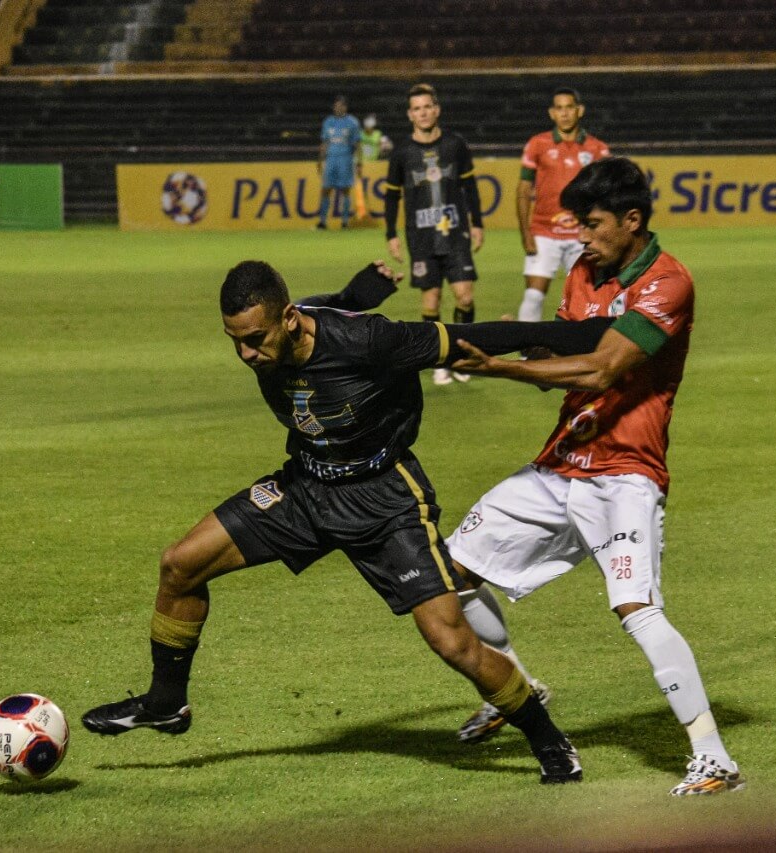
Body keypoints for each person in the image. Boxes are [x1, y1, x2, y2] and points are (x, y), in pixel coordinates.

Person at [80, 259, 621, 785]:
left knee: (452, 643)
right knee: (180, 564)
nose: (247, 353)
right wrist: (364, 290)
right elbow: (333, 305)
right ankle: (166, 702)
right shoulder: (289, 328)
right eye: (236, 340)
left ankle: (548, 738)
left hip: (384, 499)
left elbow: (468, 337)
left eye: (256, 337)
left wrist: (593, 334)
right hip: (305, 488)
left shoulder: (373, 344)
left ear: (287, 318)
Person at [446, 157, 745, 797]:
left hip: (625, 474)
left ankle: (713, 757)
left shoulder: (668, 283)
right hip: (561, 463)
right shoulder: (585, 271)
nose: (580, 236)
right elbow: (564, 345)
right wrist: (527, 344)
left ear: (633, 221)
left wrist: (499, 367)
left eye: (594, 224)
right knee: (451, 572)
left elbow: (601, 370)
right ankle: (514, 691)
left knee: (636, 607)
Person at [384, 83, 484, 386]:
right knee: (431, 303)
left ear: (436, 110)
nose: (423, 112)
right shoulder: (402, 153)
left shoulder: (455, 145)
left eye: (427, 106)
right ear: (409, 115)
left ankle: (460, 356)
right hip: (422, 238)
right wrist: (391, 233)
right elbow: (391, 196)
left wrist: (477, 223)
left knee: (464, 296)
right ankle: (439, 359)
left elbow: (470, 188)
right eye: (417, 108)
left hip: (455, 234)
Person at [516, 87, 610, 322]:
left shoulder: (597, 149)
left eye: (569, 107)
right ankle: (527, 357)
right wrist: (526, 233)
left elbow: (605, 194)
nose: (565, 113)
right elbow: (523, 190)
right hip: (544, 232)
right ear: (552, 113)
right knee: (534, 296)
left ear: (580, 111)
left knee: (586, 297)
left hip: (582, 234)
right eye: (559, 108)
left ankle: (580, 353)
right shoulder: (538, 144)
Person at [317, 95, 361, 230]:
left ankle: (345, 222)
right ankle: (322, 222)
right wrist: (320, 159)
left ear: (345, 107)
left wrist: (359, 163)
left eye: (341, 105)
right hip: (330, 159)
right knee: (325, 189)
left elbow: (357, 144)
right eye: (336, 105)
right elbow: (325, 142)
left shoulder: (352, 122)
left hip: (345, 159)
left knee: (345, 190)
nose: (338, 108)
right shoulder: (328, 122)